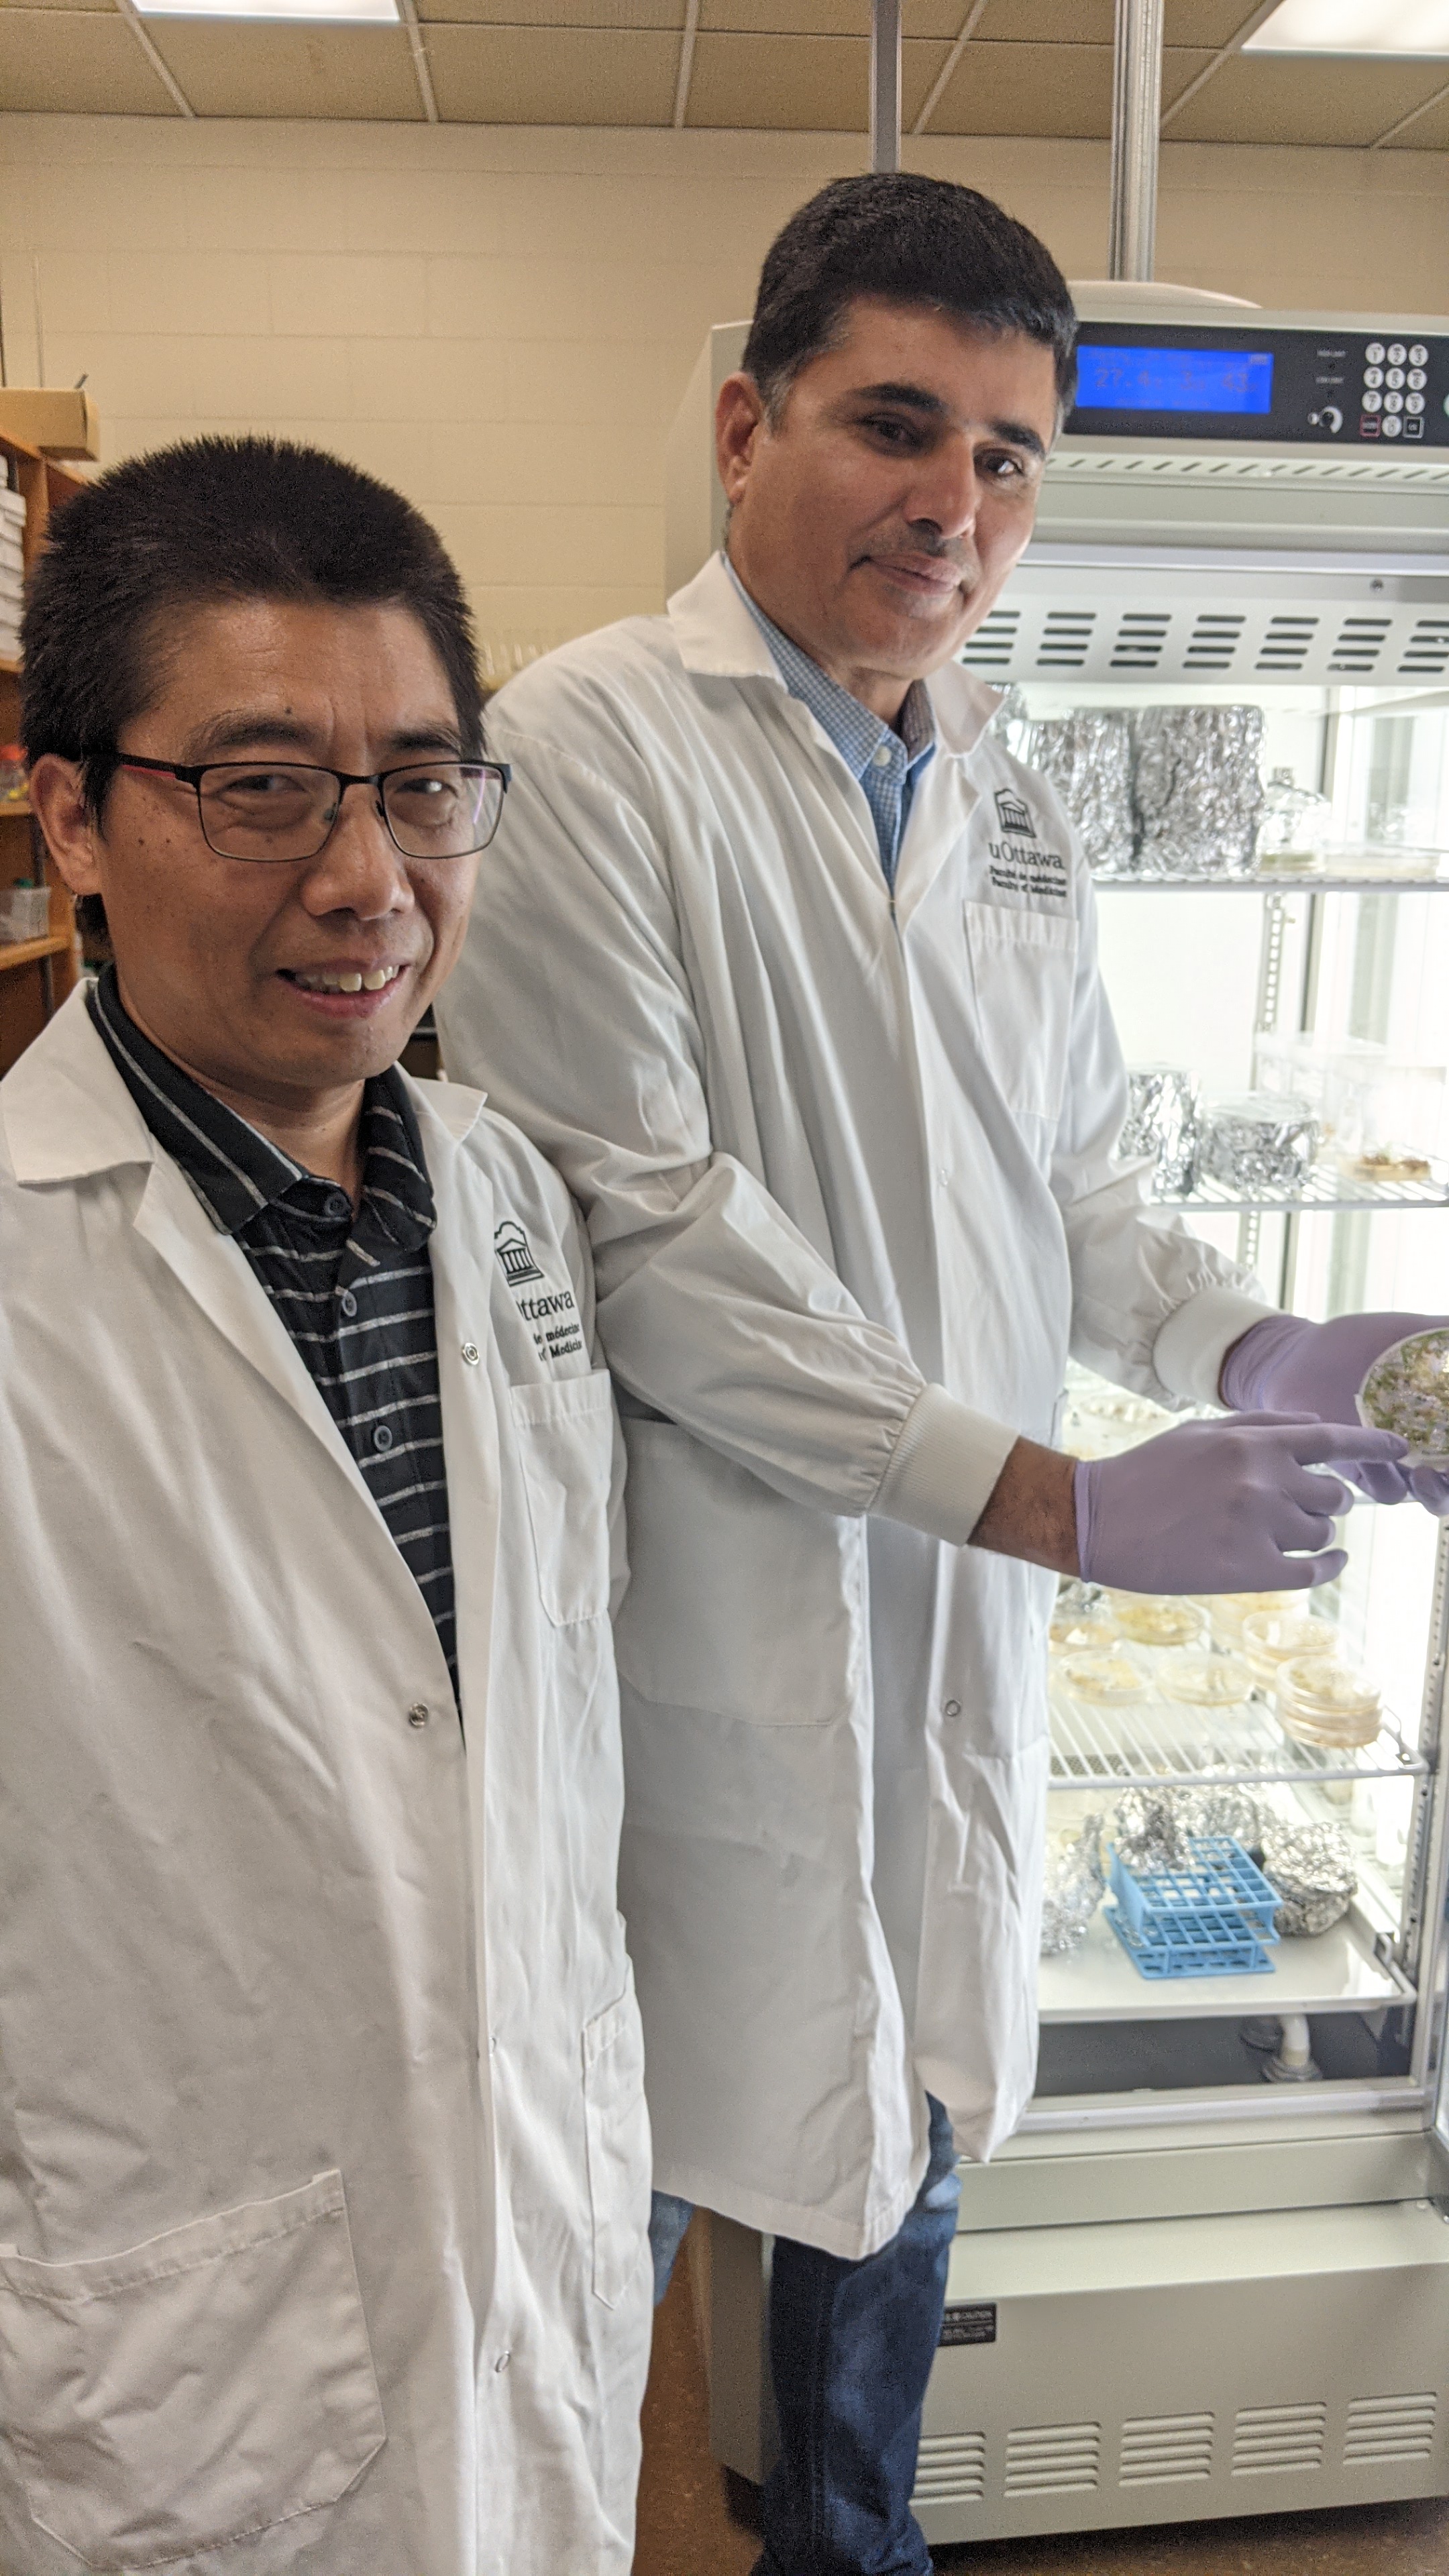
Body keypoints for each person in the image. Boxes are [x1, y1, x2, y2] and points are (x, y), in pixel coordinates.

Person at [433, 178, 1428, 2576]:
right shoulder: (579, 749)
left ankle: (852, 2551)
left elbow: (1073, 1177)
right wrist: (1071, 1503)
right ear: (744, 423)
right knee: (627, 2201)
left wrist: (1250, 1334)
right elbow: (650, 1241)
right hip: (702, 1636)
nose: (954, 506)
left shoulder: (1001, 777)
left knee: (920, 2127)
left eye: (1007, 456)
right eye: (898, 428)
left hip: (955, 1615)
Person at [6, 435, 651, 2576]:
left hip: (533, 2260)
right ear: (73, 811)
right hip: (179, 2378)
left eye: (425, 783)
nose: (371, 880)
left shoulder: (500, 1198)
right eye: (264, 787)